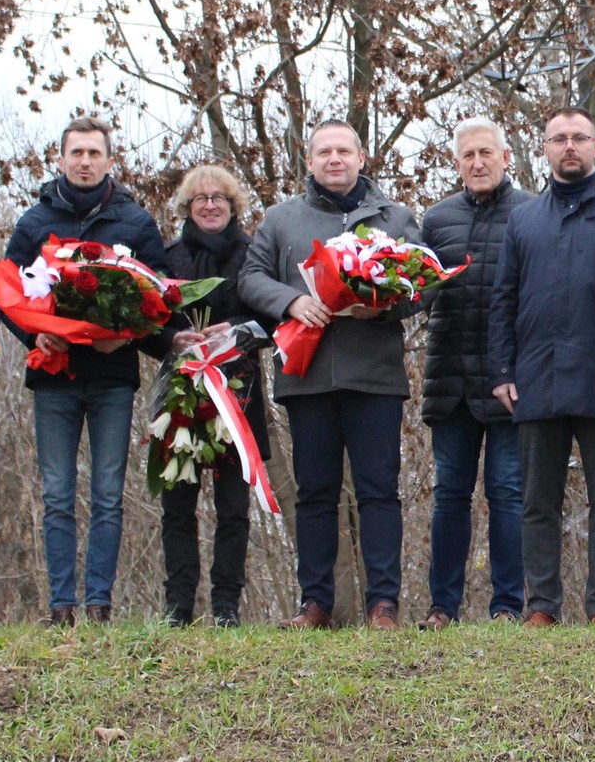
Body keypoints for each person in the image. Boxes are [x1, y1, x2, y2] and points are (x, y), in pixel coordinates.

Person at [239, 119, 423, 630]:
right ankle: (315, 603)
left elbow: (424, 285)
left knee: (379, 491)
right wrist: (292, 300)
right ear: (310, 160)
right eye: (325, 152)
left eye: (344, 150)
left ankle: (383, 603)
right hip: (308, 375)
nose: (335, 159)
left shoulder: (397, 218)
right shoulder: (281, 221)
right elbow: (250, 278)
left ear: (362, 159)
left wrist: (382, 307)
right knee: (315, 492)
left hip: (375, 376)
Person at [488, 106, 595, 626]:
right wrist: (502, 371)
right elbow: (503, 299)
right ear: (544, 149)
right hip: (536, 380)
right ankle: (542, 606)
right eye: (558, 139)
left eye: (579, 137)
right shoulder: (523, 219)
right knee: (537, 502)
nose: (569, 147)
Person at [4, 117, 168, 627]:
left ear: (108, 161)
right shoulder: (34, 223)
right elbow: (8, 294)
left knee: (107, 493)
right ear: (61, 159)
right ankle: (60, 606)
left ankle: (99, 603)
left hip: (113, 376)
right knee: (56, 493)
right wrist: (37, 335)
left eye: (94, 153)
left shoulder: (135, 224)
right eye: (76, 153)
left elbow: (159, 296)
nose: (84, 162)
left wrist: (131, 334)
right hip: (54, 376)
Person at [418, 116, 531, 627]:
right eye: (468, 155)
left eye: (487, 153)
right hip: (450, 380)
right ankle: (443, 607)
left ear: (506, 157)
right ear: (457, 162)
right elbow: (418, 295)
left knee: (508, 493)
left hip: (511, 381)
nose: (478, 162)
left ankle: (508, 606)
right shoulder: (436, 219)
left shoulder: (532, 213)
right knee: (450, 495)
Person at [154, 164, 269, 628]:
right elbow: (152, 320)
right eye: (200, 198)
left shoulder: (253, 254)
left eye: (218, 197)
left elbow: (272, 319)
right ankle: (178, 605)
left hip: (238, 394)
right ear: (187, 206)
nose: (209, 205)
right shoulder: (167, 256)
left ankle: (226, 606)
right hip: (182, 394)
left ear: (232, 204)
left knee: (234, 508)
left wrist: (237, 333)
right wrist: (171, 339)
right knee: (177, 506)